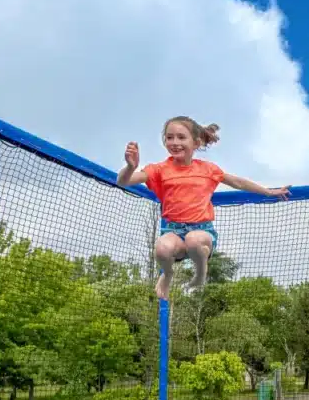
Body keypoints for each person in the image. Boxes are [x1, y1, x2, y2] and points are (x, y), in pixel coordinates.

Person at [117, 116, 291, 300]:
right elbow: (123, 181)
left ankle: (200, 274)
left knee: (193, 240)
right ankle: (167, 274)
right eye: (170, 138)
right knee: (162, 248)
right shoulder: (159, 169)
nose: (175, 142)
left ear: (196, 142)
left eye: (181, 137)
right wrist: (130, 166)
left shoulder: (207, 170)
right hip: (173, 230)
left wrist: (268, 192)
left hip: (201, 231)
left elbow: (238, 182)